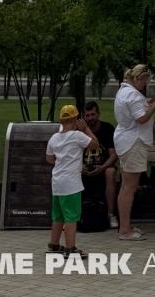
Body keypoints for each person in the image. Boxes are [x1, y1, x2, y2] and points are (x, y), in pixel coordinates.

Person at [113, 64, 155, 242]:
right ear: (137, 79)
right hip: (133, 142)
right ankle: (125, 230)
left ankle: (125, 226)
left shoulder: (124, 92)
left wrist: (147, 106)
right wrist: (153, 107)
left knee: (126, 186)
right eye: (144, 81)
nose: (145, 84)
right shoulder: (132, 95)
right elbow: (141, 118)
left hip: (127, 140)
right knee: (129, 187)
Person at [46, 104, 97, 261]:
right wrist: (86, 129)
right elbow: (94, 144)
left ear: (61, 119)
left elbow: (49, 158)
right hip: (71, 183)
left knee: (58, 215)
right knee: (71, 217)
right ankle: (70, 248)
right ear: (76, 119)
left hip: (57, 182)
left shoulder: (54, 138)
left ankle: (53, 245)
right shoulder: (77, 136)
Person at [82, 100, 119, 229]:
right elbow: (71, 154)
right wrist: (80, 167)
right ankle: (72, 216)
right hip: (82, 169)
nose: (90, 118)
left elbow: (114, 155)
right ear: (83, 117)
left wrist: (102, 168)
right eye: (87, 115)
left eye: (93, 114)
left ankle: (111, 214)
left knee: (111, 172)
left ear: (98, 114)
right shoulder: (79, 131)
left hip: (103, 167)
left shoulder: (107, 129)